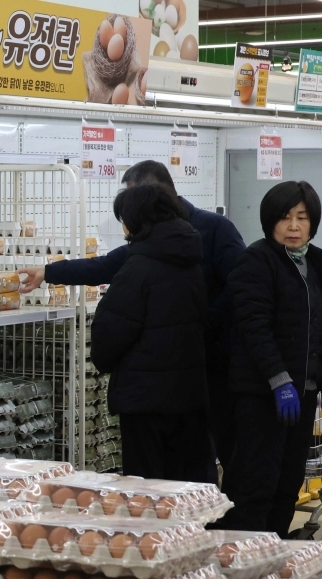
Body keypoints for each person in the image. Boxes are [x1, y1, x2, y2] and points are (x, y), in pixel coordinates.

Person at [18, 160, 246, 474]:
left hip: (209, 366)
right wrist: (48, 271)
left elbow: (241, 286)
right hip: (187, 378)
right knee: (192, 469)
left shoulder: (211, 230)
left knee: (205, 458)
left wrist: (204, 323)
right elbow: (104, 265)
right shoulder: (161, 243)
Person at [89, 184, 211, 481]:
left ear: (137, 220)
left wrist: (103, 359)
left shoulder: (139, 266)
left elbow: (111, 333)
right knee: (183, 484)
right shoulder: (191, 261)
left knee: (147, 489)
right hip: (189, 393)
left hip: (145, 398)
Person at [221, 181, 322, 536]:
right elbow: (254, 326)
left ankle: (276, 558)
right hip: (263, 395)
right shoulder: (257, 260)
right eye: (284, 218)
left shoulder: (316, 262)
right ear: (269, 221)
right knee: (255, 481)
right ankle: (241, 559)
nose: (293, 227)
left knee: (288, 481)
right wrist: (279, 381)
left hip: (304, 394)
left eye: (302, 218)